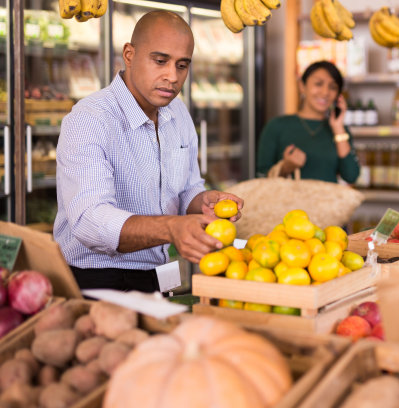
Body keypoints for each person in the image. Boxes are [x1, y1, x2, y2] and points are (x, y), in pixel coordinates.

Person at [54, 11, 243, 293]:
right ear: (129, 54)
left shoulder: (177, 113)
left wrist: (204, 202)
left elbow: (186, 189)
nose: (172, 76)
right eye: (160, 61)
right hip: (96, 278)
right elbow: (90, 221)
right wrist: (171, 228)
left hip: (159, 274)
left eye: (182, 65)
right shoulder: (90, 119)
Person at [256, 60, 360, 183]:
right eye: (318, 84)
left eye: (333, 87)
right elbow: (260, 177)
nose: (325, 92)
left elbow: (351, 176)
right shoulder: (276, 126)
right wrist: (285, 167)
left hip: (328, 202)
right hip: (287, 202)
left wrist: (338, 128)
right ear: (302, 86)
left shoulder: (340, 132)